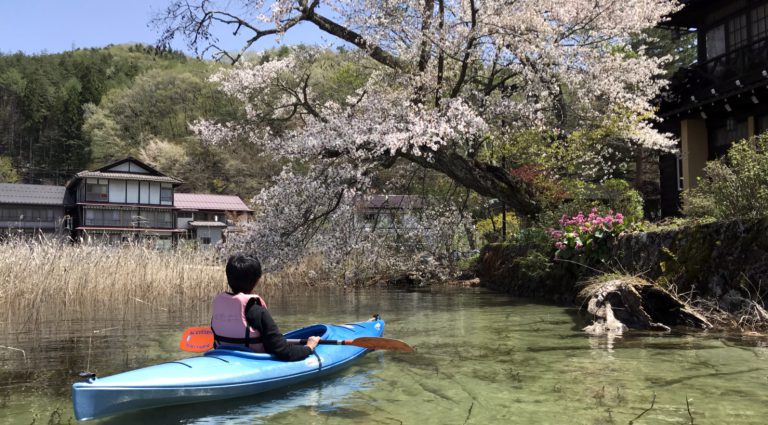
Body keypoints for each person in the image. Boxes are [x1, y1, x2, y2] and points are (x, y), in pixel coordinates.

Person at [211, 253, 320, 361]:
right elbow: (284, 352)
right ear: (257, 280)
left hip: (223, 357)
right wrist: (309, 347)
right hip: (253, 361)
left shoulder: (218, 308)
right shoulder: (257, 312)